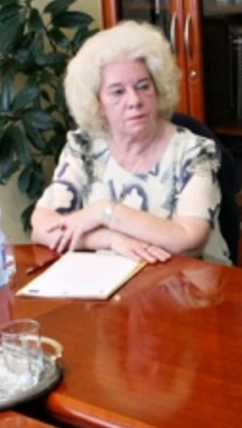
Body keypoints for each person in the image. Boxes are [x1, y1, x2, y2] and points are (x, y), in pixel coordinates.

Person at [31, 21, 231, 265]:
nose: (134, 100)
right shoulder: (84, 146)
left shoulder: (194, 152)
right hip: (109, 279)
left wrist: (104, 212)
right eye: (117, 91)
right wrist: (111, 240)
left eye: (143, 86)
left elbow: (188, 240)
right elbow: (42, 230)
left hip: (187, 280)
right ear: (97, 103)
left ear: (158, 89)